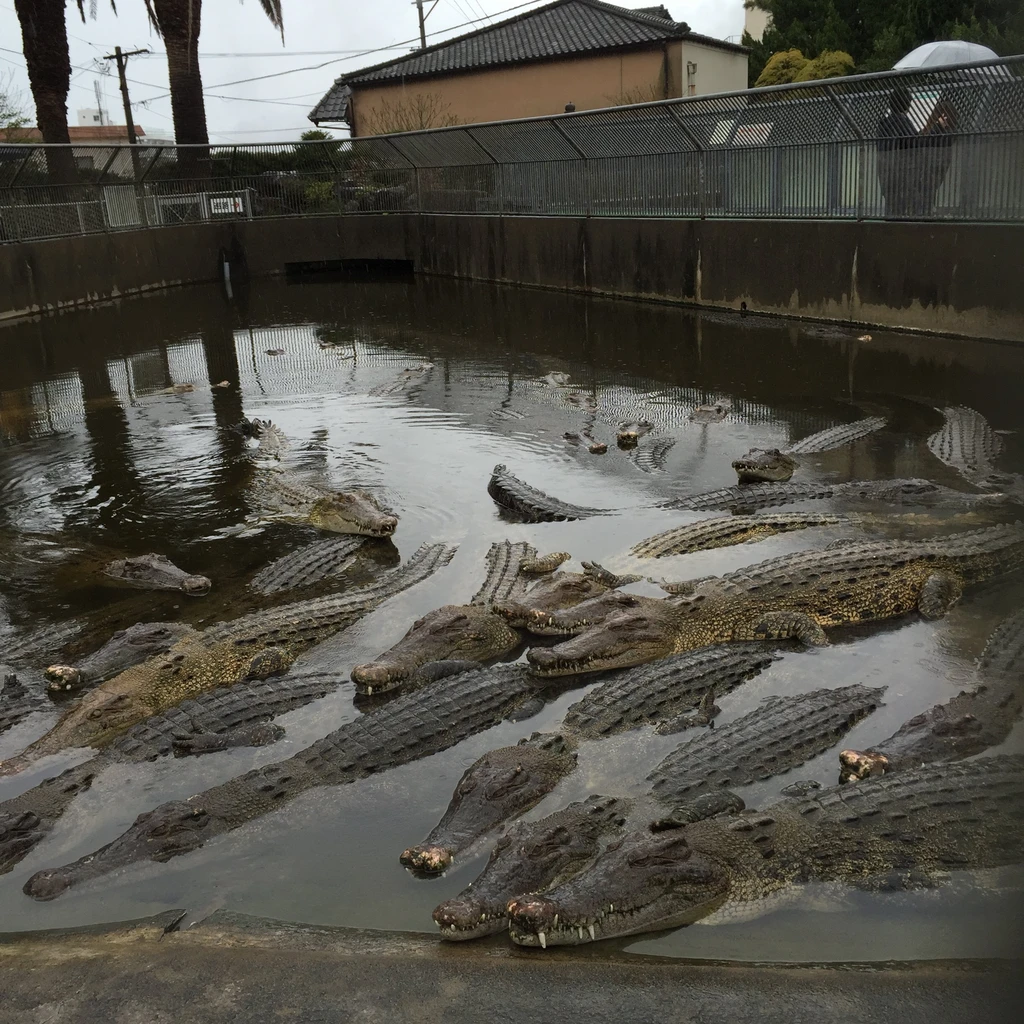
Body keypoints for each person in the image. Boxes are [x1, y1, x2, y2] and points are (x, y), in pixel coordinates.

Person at [876, 87, 918, 217]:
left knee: (891, 206)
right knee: (902, 210)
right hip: (902, 174)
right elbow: (915, 144)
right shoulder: (904, 123)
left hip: (885, 171)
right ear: (907, 105)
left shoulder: (883, 124)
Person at [913, 97, 958, 216]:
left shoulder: (940, 132)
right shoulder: (944, 132)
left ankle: (924, 214)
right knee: (927, 193)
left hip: (930, 169)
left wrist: (937, 127)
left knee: (925, 193)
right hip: (932, 169)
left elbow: (927, 143)